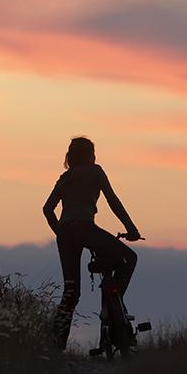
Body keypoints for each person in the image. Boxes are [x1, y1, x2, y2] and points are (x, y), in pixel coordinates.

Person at [43, 136, 141, 350]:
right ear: (90, 155)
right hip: (86, 229)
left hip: (66, 233)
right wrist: (131, 228)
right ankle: (115, 309)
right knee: (130, 258)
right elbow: (112, 200)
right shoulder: (95, 171)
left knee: (71, 292)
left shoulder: (65, 178)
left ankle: (55, 347)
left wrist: (59, 232)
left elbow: (47, 209)